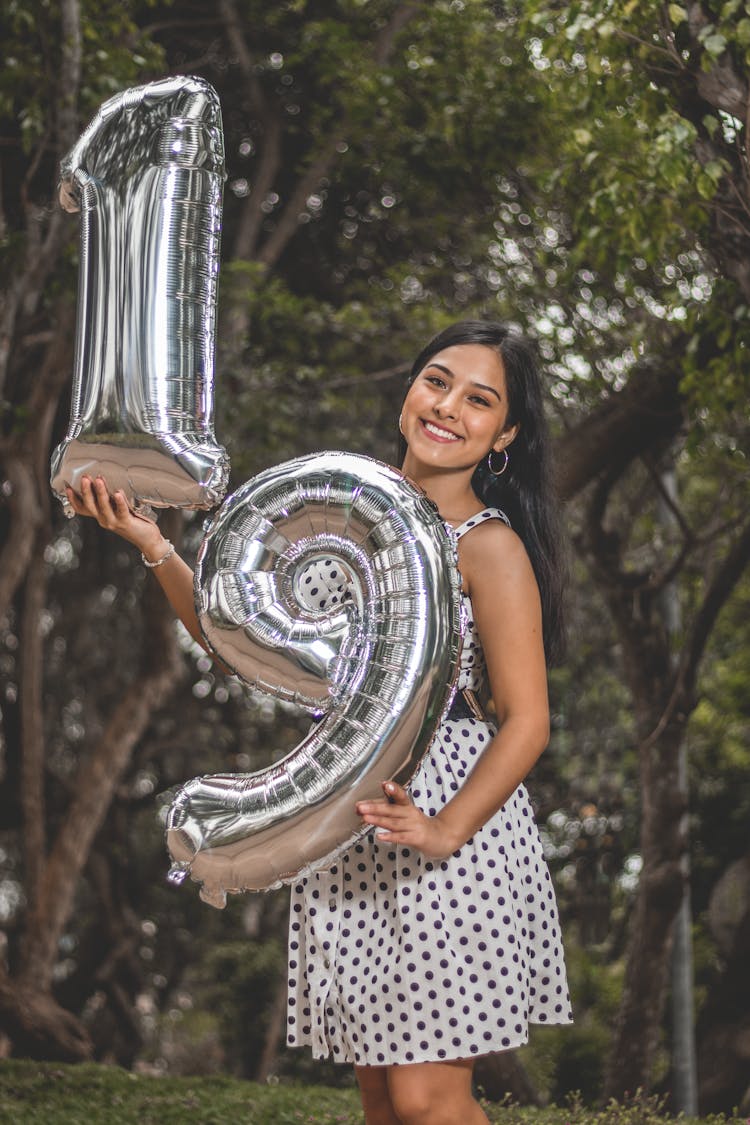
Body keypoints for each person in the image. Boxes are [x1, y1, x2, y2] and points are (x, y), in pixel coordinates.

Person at [66, 320, 572, 1124]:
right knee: (382, 1099)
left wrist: (445, 828)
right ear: (410, 389)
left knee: (427, 1098)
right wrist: (153, 542)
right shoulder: (345, 514)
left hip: (450, 833)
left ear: (504, 433)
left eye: (480, 400)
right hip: (345, 824)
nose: (448, 407)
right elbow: (243, 641)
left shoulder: (489, 546)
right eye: (436, 380)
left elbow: (527, 720)